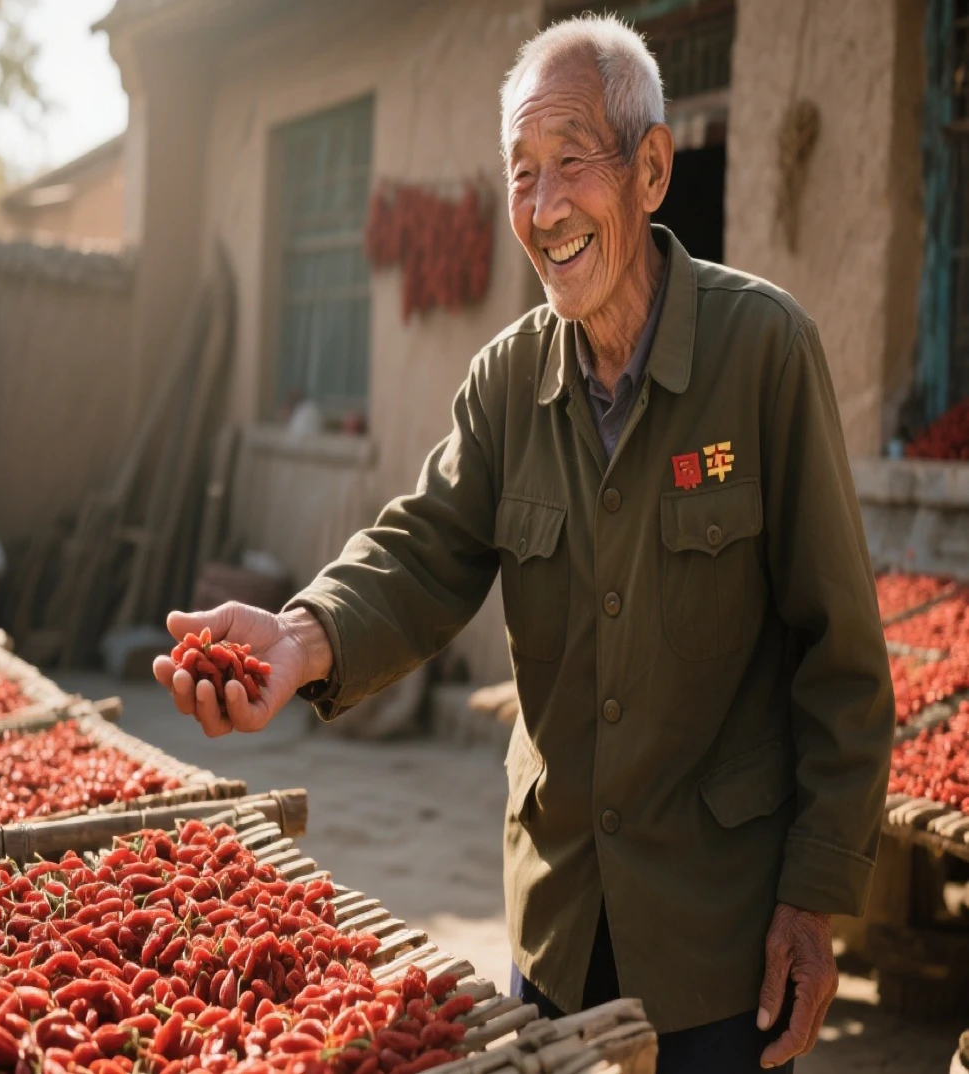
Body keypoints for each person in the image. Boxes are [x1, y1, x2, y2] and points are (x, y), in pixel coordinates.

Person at [154, 14, 894, 1074]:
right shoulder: (507, 381)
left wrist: (815, 896)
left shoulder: (764, 353)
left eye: (571, 163)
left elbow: (842, 652)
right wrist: (301, 634)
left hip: (718, 926)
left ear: (649, 170)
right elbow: (426, 548)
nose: (544, 211)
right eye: (520, 173)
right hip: (562, 907)